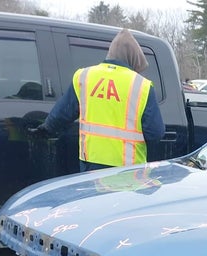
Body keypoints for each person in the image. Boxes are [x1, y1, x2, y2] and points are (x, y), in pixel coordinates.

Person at [33, 28, 165, 171]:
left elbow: (62, 113)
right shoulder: (142, 86)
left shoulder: (84, 76)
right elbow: (155, 133)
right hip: (128, 171)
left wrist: (44, 130)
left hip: (91, 165)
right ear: (132, 59)